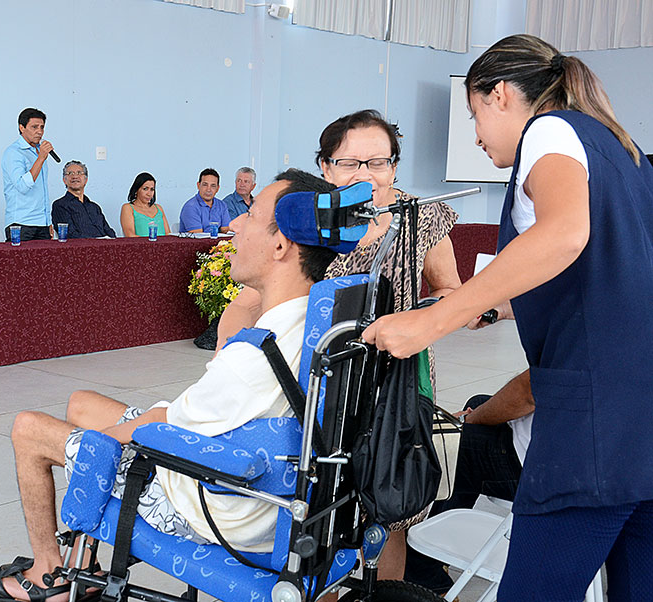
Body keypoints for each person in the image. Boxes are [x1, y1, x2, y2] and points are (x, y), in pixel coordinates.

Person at [364, 34, 653, 601]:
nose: (475, 134)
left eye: (475, 113)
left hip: (593, 426)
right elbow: (610, 269)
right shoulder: (624, 149)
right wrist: (498, 301)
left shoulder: (549, 128)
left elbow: (566, 233)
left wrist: (432, 321)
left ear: (500, 95)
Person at [0, 169, 342, 602]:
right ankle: (83, 562)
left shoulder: (255, 356)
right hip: (263, 484)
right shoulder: (317, 321)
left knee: (29, 429)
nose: (235, 224)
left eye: (251, 215)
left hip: (208, 502)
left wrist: (89, 449)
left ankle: (49, 573)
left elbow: (162, 422)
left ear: (280, 245)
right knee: (81, 403)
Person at [217, 110, 462, 579]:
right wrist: (230, 347)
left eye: (378, 162)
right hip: (315, 388)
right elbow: (248, 299)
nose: (365, 175)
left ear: (394, 166)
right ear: (325, 168)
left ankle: (380, 588)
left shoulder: (421, 217)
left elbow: (451, 290)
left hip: (394, 387)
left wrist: (419, 318)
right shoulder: (309, 219)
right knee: (318, 508)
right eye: (350, 163)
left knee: (387, 510)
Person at [404, 370, 533, 594]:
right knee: (478, 403)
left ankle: (424, 575)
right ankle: (438, 550)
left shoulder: (580, 338)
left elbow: (527, 392)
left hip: (544, 470)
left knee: (456, 444)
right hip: (570, 450)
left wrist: (467, 421)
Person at [2, 107, 56, 242]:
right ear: (22, 127)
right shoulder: (13, 152)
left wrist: (48, 221)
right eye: (34, 127)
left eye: (42, 127)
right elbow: (22, 186)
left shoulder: (39, 151)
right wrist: (41, 158)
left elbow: (42, 191)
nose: (39, 131)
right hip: (21, 224)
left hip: (42, 224)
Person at [50, 161, 116, 239]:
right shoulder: (60, 205)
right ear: (64, 180)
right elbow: (70, 235)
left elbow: (108, 231)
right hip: (80, 249)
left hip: (105, 247)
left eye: (79, 173)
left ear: (86, 180)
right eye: (70, 173)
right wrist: (96, 241)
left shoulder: (94, 207)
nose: (75, 177)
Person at [178, 168, 231, 233]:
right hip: (196, 242)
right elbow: (198, 235)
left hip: (217, 242)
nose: (208, 189)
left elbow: (225, 230)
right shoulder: (190, 207)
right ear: (198, 185)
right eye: (205, 185)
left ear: (217, 188)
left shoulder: (222, 205)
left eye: (213, 186)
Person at [119, 172, 171, 237]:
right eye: (145, 189)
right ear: (136, 190)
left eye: (152, 189)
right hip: (141, 246)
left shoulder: (158, 208)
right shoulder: (128, 208)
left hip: (164, 246)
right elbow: (130, 235)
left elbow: (168, 234)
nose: (149, 194)